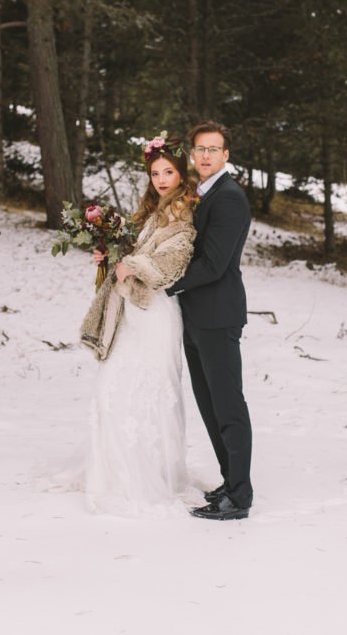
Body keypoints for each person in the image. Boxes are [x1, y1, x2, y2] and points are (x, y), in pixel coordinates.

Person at [76, 134, 198, 517]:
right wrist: (110, 255)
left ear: (181, 173)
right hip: (132, 313)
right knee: (112, 388)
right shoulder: (149, 211)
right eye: (155, 173)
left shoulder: (186, 211)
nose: (161, 179)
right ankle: (112, 475)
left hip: (157, 313)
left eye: (169, 171)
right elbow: (131, 253)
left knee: (151, 392)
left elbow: (174, 261)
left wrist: (135, 266)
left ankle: (151, 476)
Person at [166, 121, 253, 521]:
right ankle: (229, 481)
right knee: (209, 405)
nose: (204, 156)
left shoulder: (229, 198)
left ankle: (240, 495)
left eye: (212, 150)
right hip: (196, 316)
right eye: (199, 149)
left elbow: (215, 264)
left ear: (225, 156)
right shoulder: (199, 193)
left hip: (217, 316)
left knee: (228, 405)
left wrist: (164, 283)